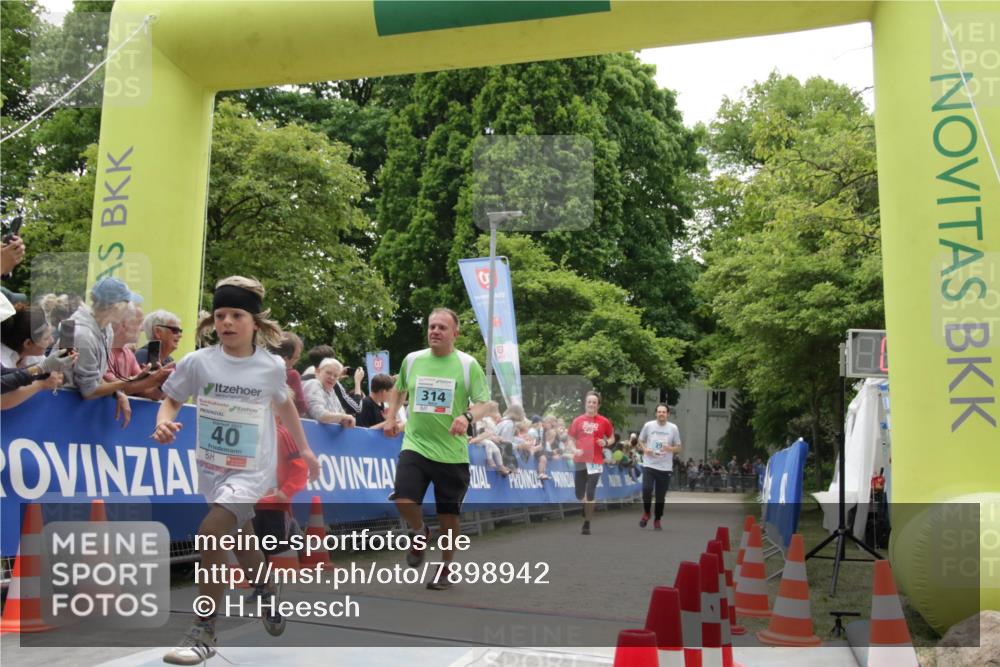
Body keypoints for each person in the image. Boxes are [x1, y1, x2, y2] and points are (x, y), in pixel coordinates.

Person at [153, 276, 319, 665]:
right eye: (220, 314)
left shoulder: (270, 367)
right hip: (211, 467)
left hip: (253, 470)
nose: (227, 322)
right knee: (240, 536)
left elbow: (286, 406)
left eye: (237, 315)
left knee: (211, 533)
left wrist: (307, 450)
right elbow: (171, 400)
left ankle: (204, 629)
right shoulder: (198, 362)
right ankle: (266, 588)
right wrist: (163, 421)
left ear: (255, 323)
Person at [381, 307, 491, 590]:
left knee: (449, 517)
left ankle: (445, 568)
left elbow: (485, 404)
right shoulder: (412, 360)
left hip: (452, 453)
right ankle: (420, 532)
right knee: (403, 499)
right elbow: (399, 389)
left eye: (442, 327)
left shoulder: (468, 365)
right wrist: (392, 416)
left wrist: (466, 417)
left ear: (455, 333)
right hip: (416, 444)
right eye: (432, 326)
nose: (435, 332)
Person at [64, 277, 169, 427]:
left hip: (74, 408)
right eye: (127, 303)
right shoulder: (83, 334)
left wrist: (118, 392)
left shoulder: (105, 329)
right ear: (116, 307)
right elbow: (89, 391)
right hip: (64, 407)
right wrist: (129, 381)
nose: (130, 307)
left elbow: (98, 377)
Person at [567, 391, 614, 535]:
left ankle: (587, 523)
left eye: (594, 402)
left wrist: (605, 442)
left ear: (598, 405)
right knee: (578, 493)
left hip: (596, 461)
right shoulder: (578, 420)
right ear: (585, 404)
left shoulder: (604, 421)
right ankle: (585, 505)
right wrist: (574, 449)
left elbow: (612, 438)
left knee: (591, 491)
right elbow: (570, 439)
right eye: (589, 402)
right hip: (581, 460)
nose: (592, 404)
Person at [637, 404, 682, 530]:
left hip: (665, 467)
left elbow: (679, 447)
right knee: (646, 489)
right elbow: (641, 440)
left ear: (668, 414)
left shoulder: (673, 428)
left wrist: (670, 448)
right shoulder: (648, 425)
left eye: (664, 412)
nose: (661, 414)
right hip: (649, 464)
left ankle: (657, 518)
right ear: (656, 413)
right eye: (659, 412)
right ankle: (646, 513)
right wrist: (645, 449)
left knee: (660, 497)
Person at [302, 358, 357, 427]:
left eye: (335, 376)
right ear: (318, 371)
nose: (332, 377)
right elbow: (319, 414)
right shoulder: (313, 383)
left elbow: (341, 413)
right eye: (328, 373)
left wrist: (345, 419)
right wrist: (343, 417)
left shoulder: (331, 391)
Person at [268, 331, 308, 417]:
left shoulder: (259, 369)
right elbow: (301, 406)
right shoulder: (292, 374)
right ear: (286, 358)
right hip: (283, 421)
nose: (297, 360)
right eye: (296, 357)